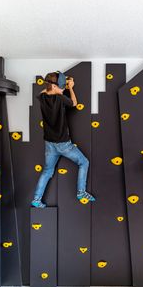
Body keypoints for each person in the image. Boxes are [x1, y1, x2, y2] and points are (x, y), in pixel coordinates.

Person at [31, 71, 95, 208]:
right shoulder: (60, 98)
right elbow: (74, 103)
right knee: (84, 162)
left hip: (49, 143)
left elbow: (45, 90)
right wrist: (70, 87)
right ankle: (81, 192)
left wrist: (56, 84)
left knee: (47, 172)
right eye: (61, 86)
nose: (63, 88)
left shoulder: (41, 97)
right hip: (63, 144)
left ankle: (36, 199)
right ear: (54, 87)